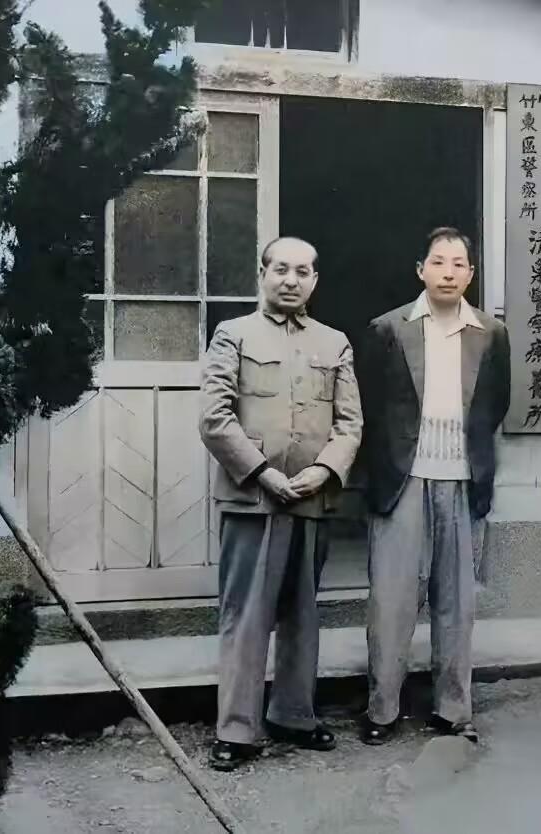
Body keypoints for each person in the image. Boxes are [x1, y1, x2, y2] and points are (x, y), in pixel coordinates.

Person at [199, 236, 363, 771]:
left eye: (303, 272)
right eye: (281, 269)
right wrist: (263, 473)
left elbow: (350, 423)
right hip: (253, 499)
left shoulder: (334, 343)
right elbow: (215, 418)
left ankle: (294, 714)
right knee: (246, 615)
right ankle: (237, 728)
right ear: (263, 274)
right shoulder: (233, 334)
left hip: (311, 499)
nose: (291, 280)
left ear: (315, 280)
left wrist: (324, 470)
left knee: (303, 613)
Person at [358, 227, 511, 745]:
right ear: (420, 269)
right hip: (403, 478)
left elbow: (495, 403)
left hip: (463, 479)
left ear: (471, 273)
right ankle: (382, 709)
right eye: (439, 262)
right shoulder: (387, 328)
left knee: (457, 603)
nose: (449, 272)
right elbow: (369, 406)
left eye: (459, 264)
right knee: (392, 599)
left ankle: (453, 709)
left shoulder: (491, 333)